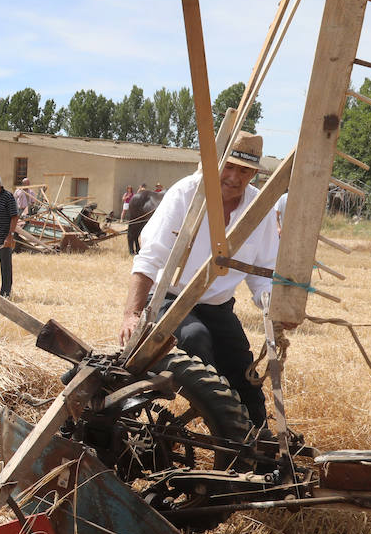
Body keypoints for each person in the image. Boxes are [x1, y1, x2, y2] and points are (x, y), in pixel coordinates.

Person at [118, 132, 280, 429]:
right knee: (195, 337)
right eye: (228, 167)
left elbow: (264, 273)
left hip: (218, 307)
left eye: (243, 170)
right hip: (171, 298)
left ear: (254, 174)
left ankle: (259, 446)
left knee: (245, 374)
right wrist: (132, 314)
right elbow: (150, 258)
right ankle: (223, 423)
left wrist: (274, 308)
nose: (234, 177)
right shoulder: (186, 194)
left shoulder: (260, 209)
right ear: (215, 164)